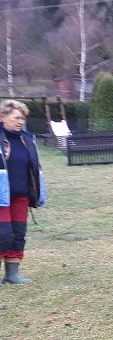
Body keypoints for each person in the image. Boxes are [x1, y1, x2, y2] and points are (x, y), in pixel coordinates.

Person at [0, 100, 46, 285]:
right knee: (3, 234)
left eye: (22, 118)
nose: (20, 122)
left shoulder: (27, 139)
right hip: (1, 197)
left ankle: (12, 274)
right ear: (2, 117)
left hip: (21, 196)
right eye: (16, 118)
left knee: (18, 234)